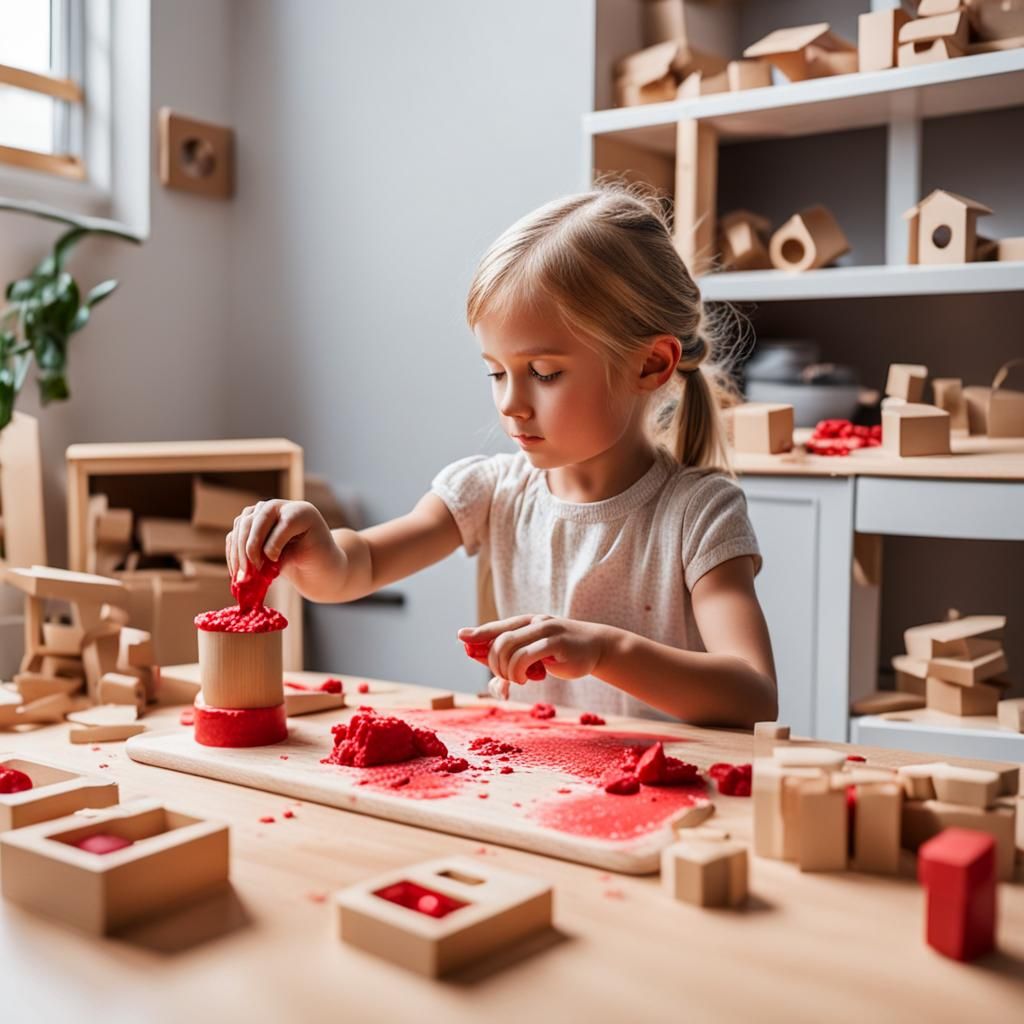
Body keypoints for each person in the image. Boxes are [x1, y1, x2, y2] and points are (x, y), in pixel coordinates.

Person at [226, 185, 778, 727]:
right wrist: (315, 548)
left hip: (671, 805)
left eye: (543, 373)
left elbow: (753, 694)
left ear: (650, 365)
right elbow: (357, 568)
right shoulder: (492, 491)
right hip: (533, 789)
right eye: (496, 371)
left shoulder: (699, 515)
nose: (511, 404)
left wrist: (606, 652)